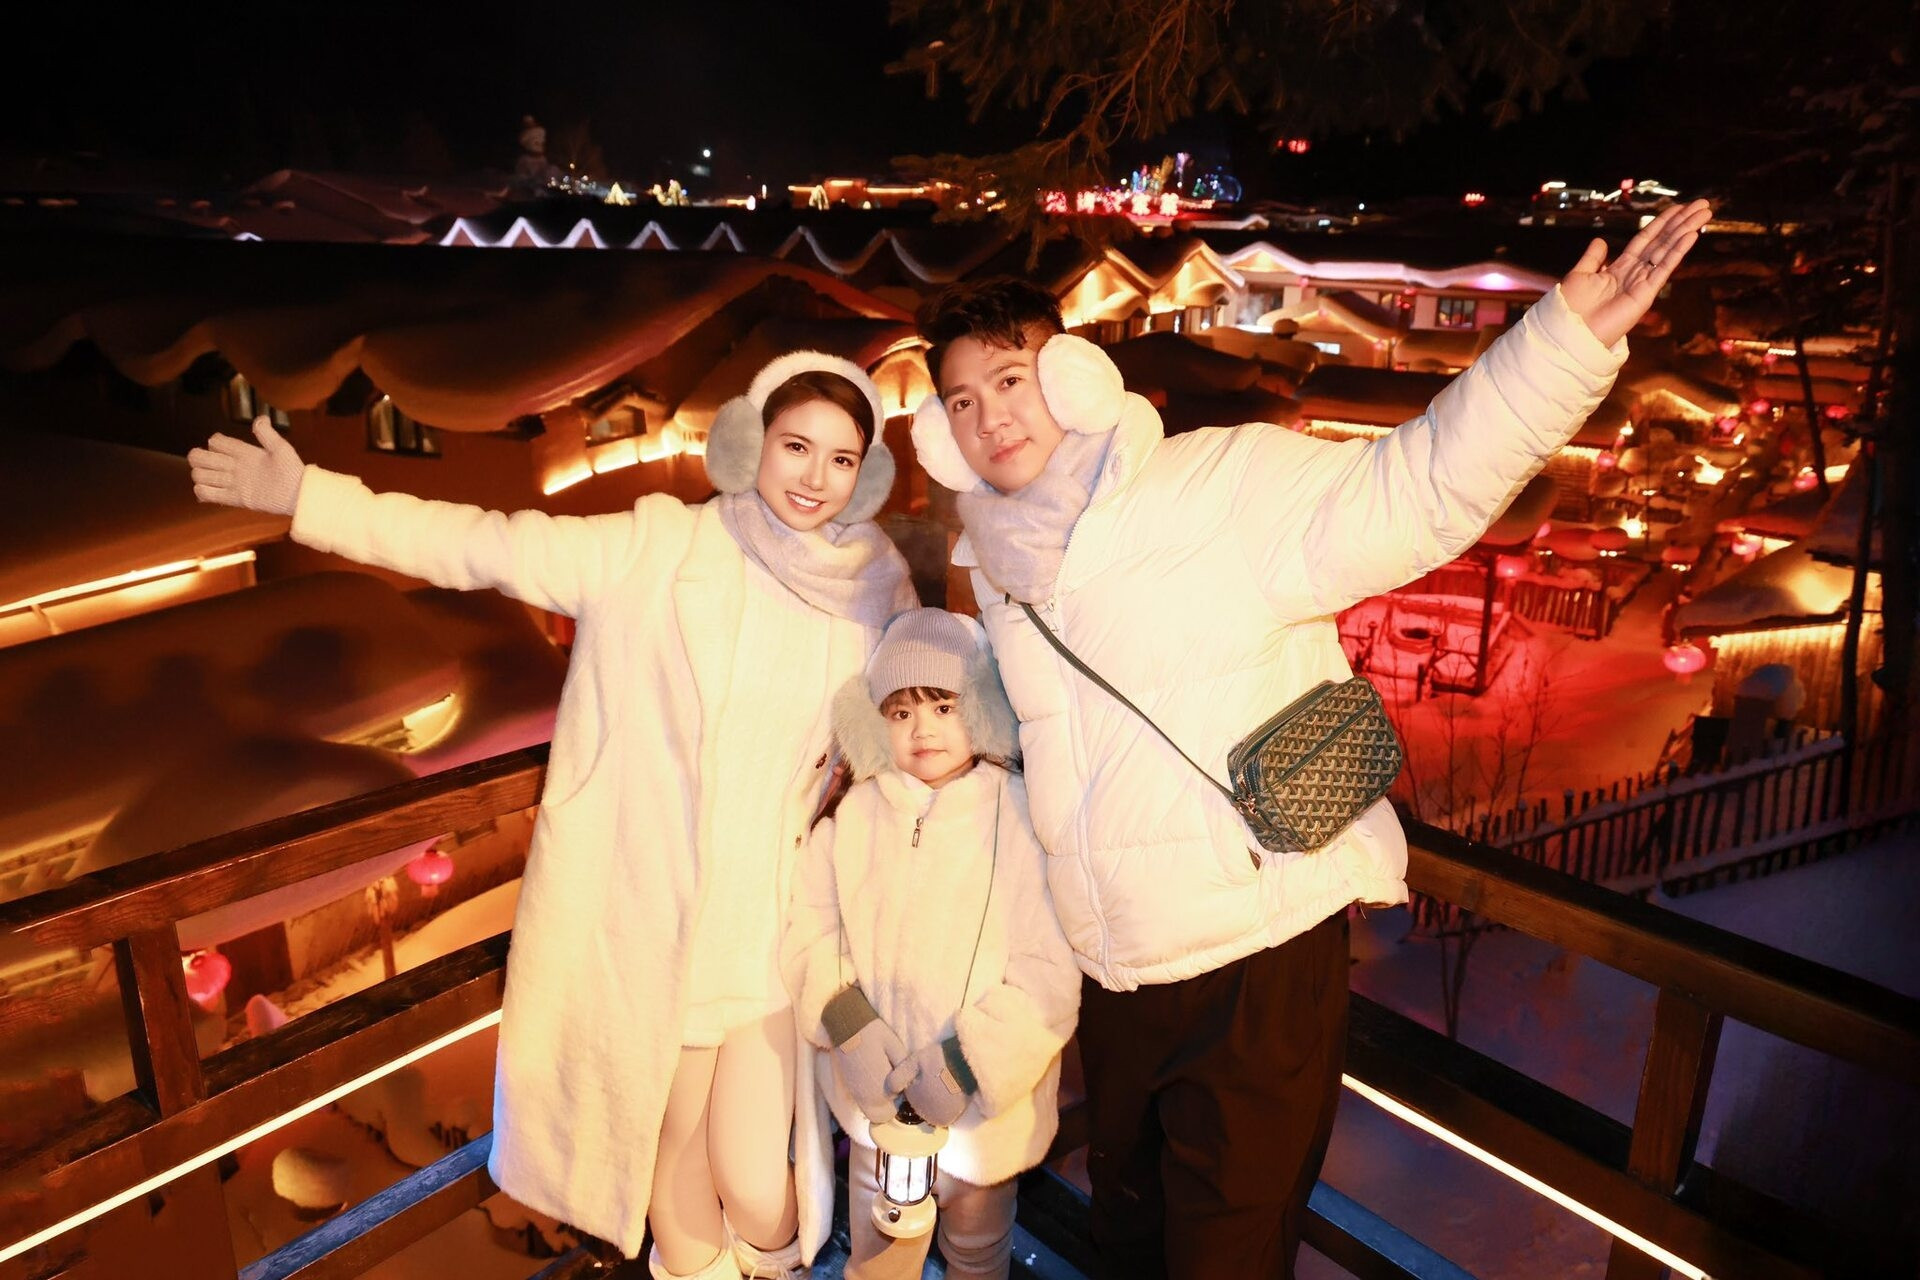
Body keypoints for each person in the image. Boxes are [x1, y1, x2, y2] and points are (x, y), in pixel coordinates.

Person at [905, 202, 1714, 1279]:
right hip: (1120, 978)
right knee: (1127, 1246)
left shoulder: (1216, 486)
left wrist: (1564, 341)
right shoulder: (1001, 571)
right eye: (961, 400)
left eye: (1010, 379)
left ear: (1071, 377)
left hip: (1259, 959)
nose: (989, 417)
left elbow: (1415, 486)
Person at [188, 351, 918, 1279]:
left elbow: (897, 734)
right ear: (749, 441)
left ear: (866, 474)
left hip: (783, 932)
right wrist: (310, 499)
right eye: (795, 445)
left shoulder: (872, 587)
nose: (815, 477)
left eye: (842, 458)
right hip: (663, 933)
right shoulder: (655, 550)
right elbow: (482, 542)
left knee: (754, 1174)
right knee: (674, 1164)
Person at [782, 608, 1079, 1280]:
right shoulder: (854, 816)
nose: (923, 729)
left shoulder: (1021, 818)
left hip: (983, 1124)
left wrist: (964, 1063)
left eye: (944, 706)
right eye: (900, 711)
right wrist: (849, 1025)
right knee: (878, 1254)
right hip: (877, 1108)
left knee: (977, 1253)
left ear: (982, 707)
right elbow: (812, 928)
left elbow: (1048, 973)